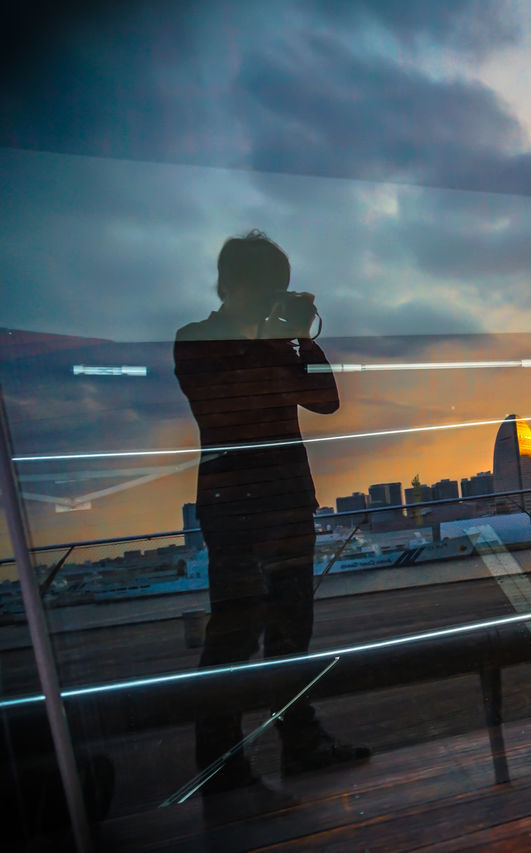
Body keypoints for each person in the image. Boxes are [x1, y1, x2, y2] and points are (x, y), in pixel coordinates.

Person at [174, 230, 368, 796]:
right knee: (234, 636)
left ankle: (299, 744)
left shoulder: (277, 341)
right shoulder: (199, 338)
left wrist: (299, 341)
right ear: (233, 284)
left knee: (290, 632)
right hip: (235, 505)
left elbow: (326, 399)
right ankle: (220, 763)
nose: (271, 297)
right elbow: (228, 400)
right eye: (265, 287)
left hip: (283, 500)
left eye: (277, 288)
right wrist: (274, 339)